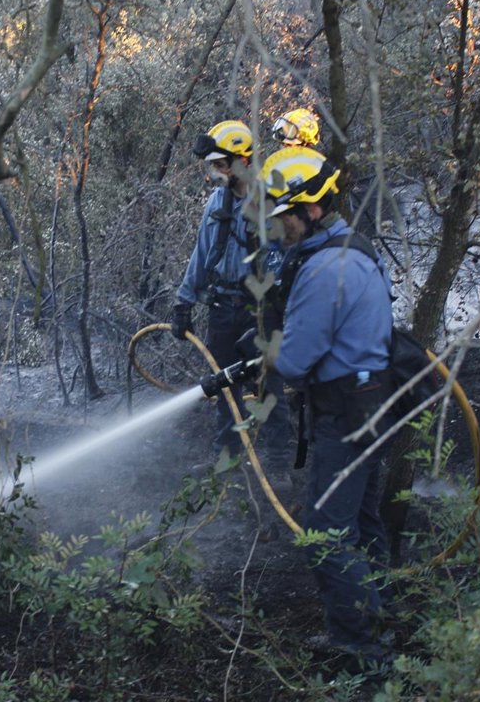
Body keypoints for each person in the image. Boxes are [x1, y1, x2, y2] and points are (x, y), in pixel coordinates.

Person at [257, 145, 394, 664]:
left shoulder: (322, 270)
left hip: (346, 414)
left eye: (285, 216)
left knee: (325, 534)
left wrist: (266, 354)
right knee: (362, 521)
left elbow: (294, 361)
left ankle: (361, 647)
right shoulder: (356, 249)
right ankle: (380, 621)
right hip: (371, 401)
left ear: (312, 208)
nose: (279, 228)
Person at [171, 120, 292, 457]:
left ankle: (278, 461)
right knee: (225, 386)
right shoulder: (217, 203)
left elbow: (288, 260)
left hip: (261, 311)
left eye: (221, 165)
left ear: (243, 160)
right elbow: (202, 254)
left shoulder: (272, 201)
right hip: (222, 308)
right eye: (214, 166)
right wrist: (184, 302)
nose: (215, 173)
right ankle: (227, 459)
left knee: (269, 386)